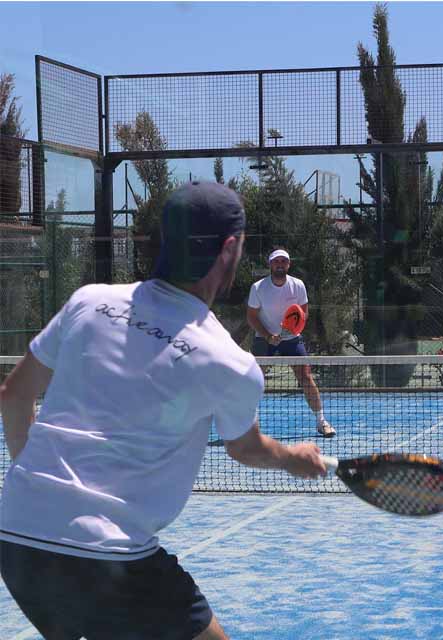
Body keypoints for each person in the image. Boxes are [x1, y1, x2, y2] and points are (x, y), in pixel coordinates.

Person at [0, 181, 326, 640]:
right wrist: (292, 457)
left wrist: (43, 491)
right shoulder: (230, 363)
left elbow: (13, 396)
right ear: (230, 249)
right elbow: (246, 449)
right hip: (111, 556)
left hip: (16, 534)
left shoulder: (88, 302)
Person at [247, 248, 335, 438]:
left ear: (288, 265)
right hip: (263, 338)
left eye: (283, 261)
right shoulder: (258, 287)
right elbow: (252, 317)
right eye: (276, 261)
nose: (280, 264)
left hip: (291, 339)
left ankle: (321, 422)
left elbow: (303, 313)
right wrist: (269, 335)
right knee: (254, 381)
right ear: (270, 264)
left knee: (305, 377)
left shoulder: (298, 285)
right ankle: (248, 427)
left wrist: (291, 330)